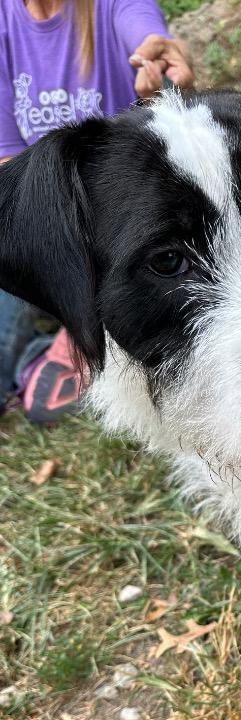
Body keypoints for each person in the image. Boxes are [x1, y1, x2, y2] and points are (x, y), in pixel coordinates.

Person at [0, 0, 194, 422]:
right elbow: (10, 176)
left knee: (40, 405)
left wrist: (158, 59)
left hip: (118, 241)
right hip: (48, 235)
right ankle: (57, 332)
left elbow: (144, 32)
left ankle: (53, 340)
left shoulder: (112, 5)